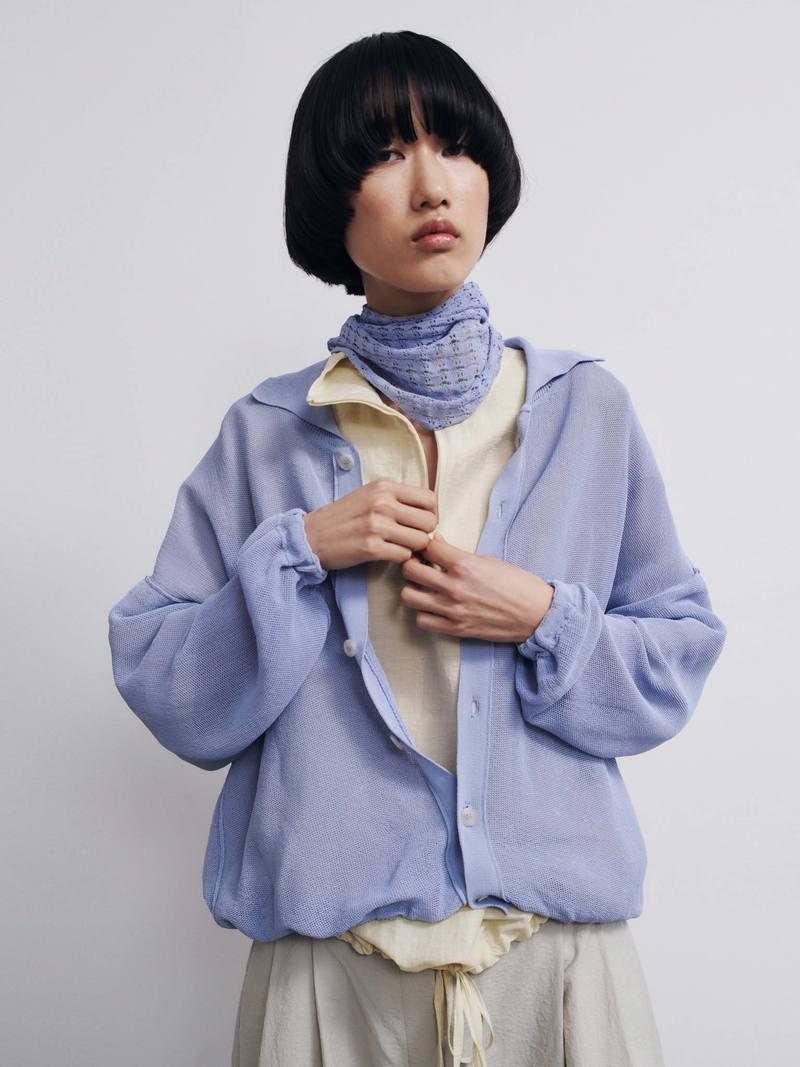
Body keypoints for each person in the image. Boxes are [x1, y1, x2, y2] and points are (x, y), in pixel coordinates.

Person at [107, 30, 727, 1067]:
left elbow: (675, 657)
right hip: (328, 977)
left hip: (559, 968)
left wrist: (543, 616)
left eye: (456, 145)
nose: (433, 183)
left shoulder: (585, 412)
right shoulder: (267, 435)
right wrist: (296, 553)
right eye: (387, 155)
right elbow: (171, 688)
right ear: (331, 200)